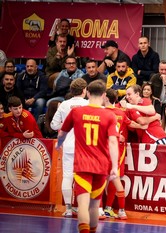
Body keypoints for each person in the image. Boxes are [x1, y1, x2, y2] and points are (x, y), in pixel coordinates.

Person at [56, 80, 119, 233]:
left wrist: (59, 145)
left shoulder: (77, 112)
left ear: (88, 93)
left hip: (82, 165)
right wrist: (115, 167)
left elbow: (62, 132)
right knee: (94, 206)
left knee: (83, 205)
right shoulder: (109, 115)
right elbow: (112, 142)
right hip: (101, 166)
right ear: (104, 95)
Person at [103, 88, 145, 220]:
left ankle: (102, 209)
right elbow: (131, 123)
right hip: (118, 150)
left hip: (104, 149)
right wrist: (143, 126)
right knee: (116, 179)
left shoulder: (102, 113)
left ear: (105, 98)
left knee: (100, 180)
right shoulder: (120, 113)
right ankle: (118, 210)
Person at [51, 78, 89, 218]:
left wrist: (66, 126)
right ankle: (81, 208)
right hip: (85, 147)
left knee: (67, 176)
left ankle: (68, 208)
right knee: (83, 177)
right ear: (84, 90)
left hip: (68, 146)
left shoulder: (64, 105)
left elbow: (54, 125)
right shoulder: (89, 104)